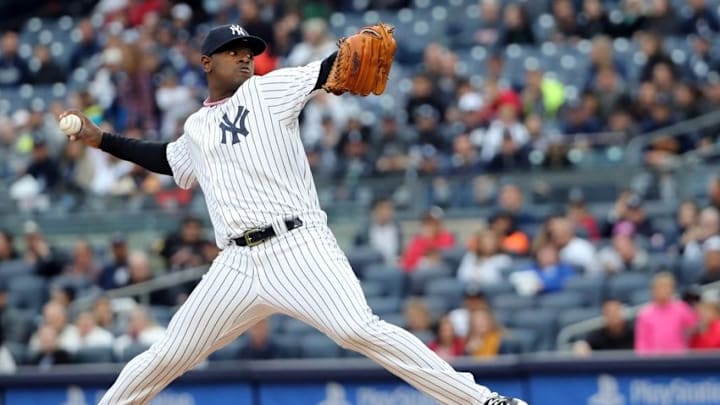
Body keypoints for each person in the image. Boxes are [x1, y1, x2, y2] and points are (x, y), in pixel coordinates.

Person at [60, 24, 523, 405]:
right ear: (206, 63)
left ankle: (482, 401)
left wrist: (336, 62)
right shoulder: (196, 127)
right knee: (168, 354)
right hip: (237, 264)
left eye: (248, 51)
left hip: (297, 246)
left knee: (357, 328)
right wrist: (101, 139)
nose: (244, 57)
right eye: (231, 51)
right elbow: (166, 159)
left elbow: (326, 70)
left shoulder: (271, 89)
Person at [635, 273, 698, 354]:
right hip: (654, 361)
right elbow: (642, 344)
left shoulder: (682, 308)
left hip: (679, 359)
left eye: (666, 286)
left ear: (672, 289)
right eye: (660, 287)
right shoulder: (645, 314)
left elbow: (696, 328)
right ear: (653, 290)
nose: (663, 290)